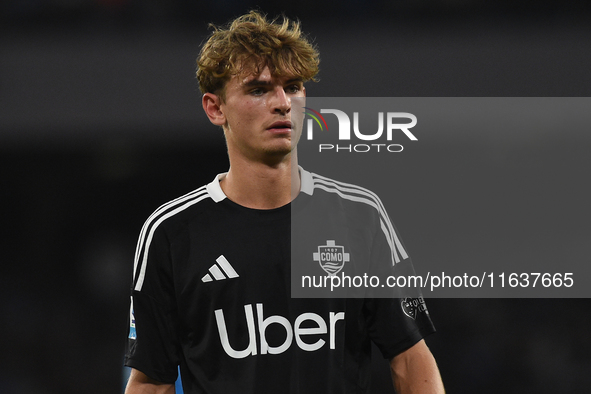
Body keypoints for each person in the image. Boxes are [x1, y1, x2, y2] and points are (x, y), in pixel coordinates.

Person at [124, 10, 444, 394]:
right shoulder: (171, 233)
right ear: (215, 107)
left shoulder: (360, 215)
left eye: (293, 87)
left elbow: (410, 357)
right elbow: (151, 382)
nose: (282, 103)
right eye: (258, 89)